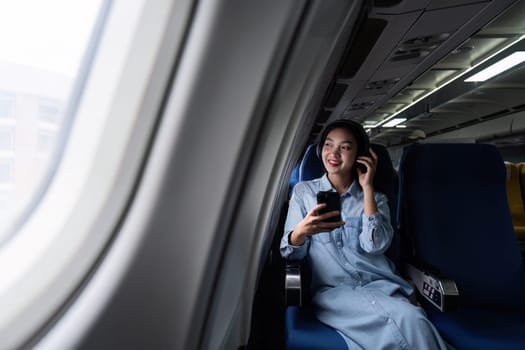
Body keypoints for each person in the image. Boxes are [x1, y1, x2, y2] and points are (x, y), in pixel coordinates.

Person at [280, 119, 450, 349]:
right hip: (335, 293)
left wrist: (368, 188)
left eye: (345, 147)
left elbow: (376, 247)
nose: (334, 153)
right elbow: (289, 252)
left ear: (360, 155)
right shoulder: (304, 192)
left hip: (382, 286)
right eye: (329, 145)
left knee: (413, 320)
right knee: (408, 321)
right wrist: (302, 231)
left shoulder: (377, 199)